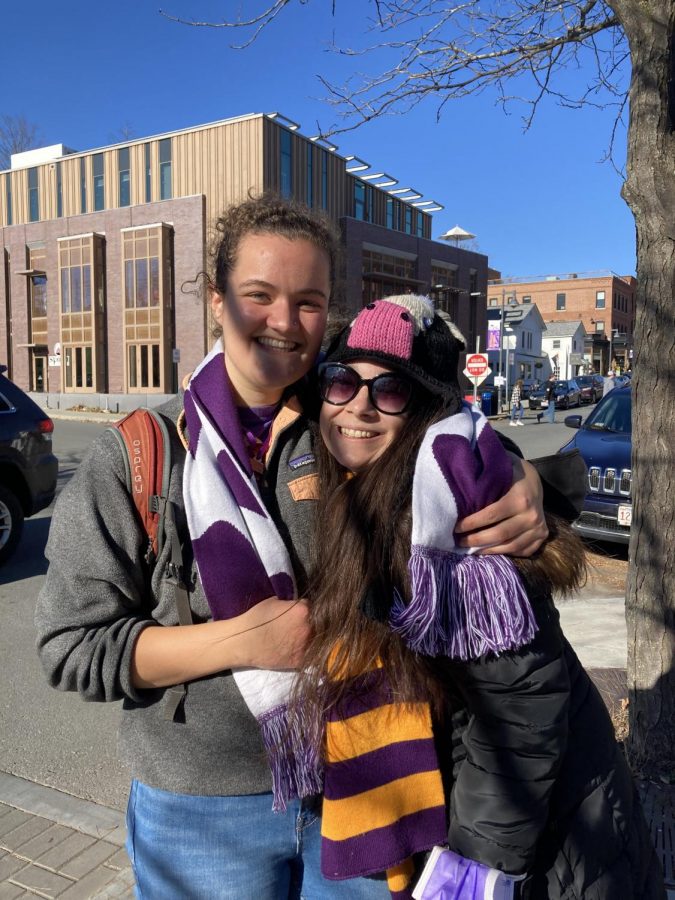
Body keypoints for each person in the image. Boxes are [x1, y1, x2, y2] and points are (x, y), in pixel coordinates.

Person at [34, 197, 550, 900]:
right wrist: (236, 642)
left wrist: (523, 474)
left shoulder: (345, 417)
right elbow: (72, 647)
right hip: (201, 811)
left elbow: (447, 443)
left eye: (307, 301)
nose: (282, 321)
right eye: (258, 296)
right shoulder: (137, 455)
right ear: (217, 302)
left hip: (370, 782)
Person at [298, 295, 663, 900]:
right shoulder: (360, 495)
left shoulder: (452, 528)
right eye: (341, 382)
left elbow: (521, 713)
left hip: (552, 844)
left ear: (426, 411)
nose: (357, 405)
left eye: (389, 391)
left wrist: (471, 875)